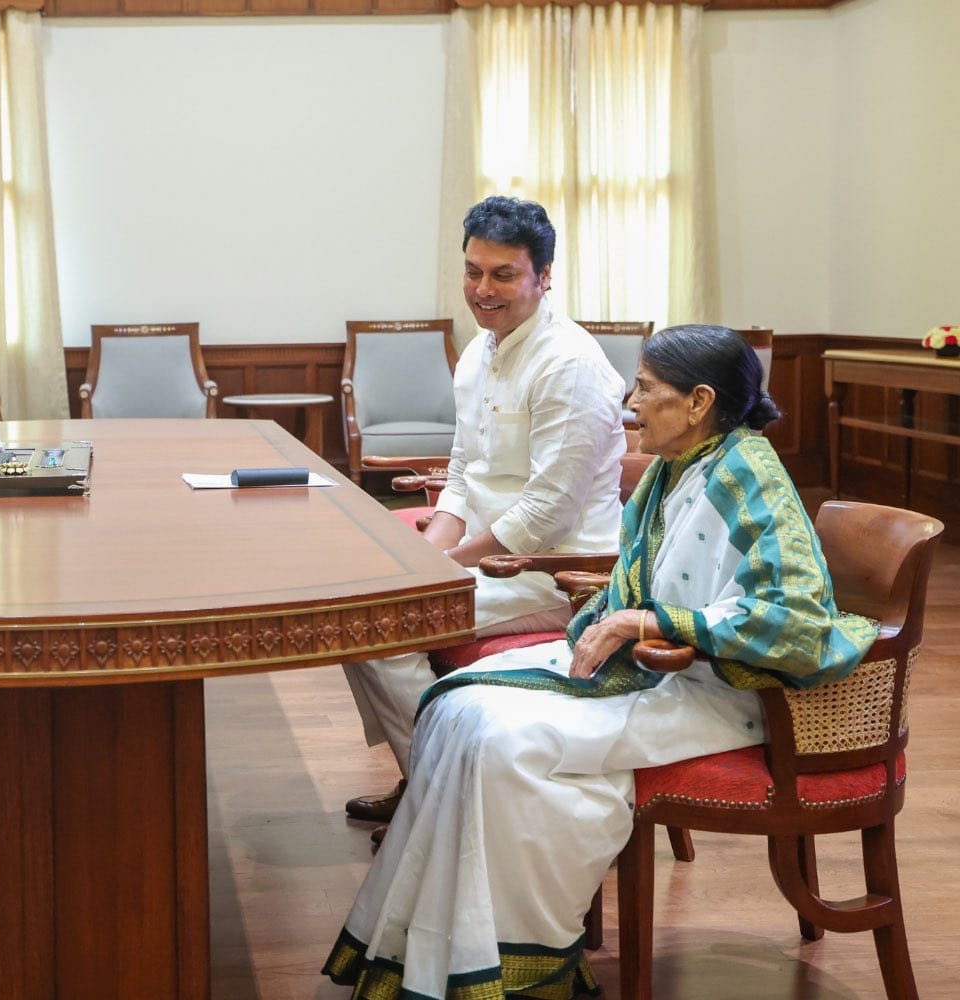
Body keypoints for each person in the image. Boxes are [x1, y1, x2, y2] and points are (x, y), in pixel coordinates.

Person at [323, 325, 878, 999]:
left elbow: (795, 625)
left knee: (504, 742)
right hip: (661, 672)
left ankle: (513, 971)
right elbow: (638, 582)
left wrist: (648, 621)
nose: (630, 402)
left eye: (645, 387)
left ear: (699, 401)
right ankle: (429, 952)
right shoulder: (678, 465)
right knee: (455, 707)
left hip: (721, 694)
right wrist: (619, 620)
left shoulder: (750, 478)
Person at [343, 196, 626, 823]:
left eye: (503, 274)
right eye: (473, 271)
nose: (483, 289)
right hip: (488, 559)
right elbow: (463, 475)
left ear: (543, 276)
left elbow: (545, 516)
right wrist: (426, 557)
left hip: (559, 572)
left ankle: (440, 802)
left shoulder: (571, 365)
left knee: (376, 629)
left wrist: (446, 569)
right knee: (359, 602)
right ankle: (429, 784)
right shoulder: (479, 351)